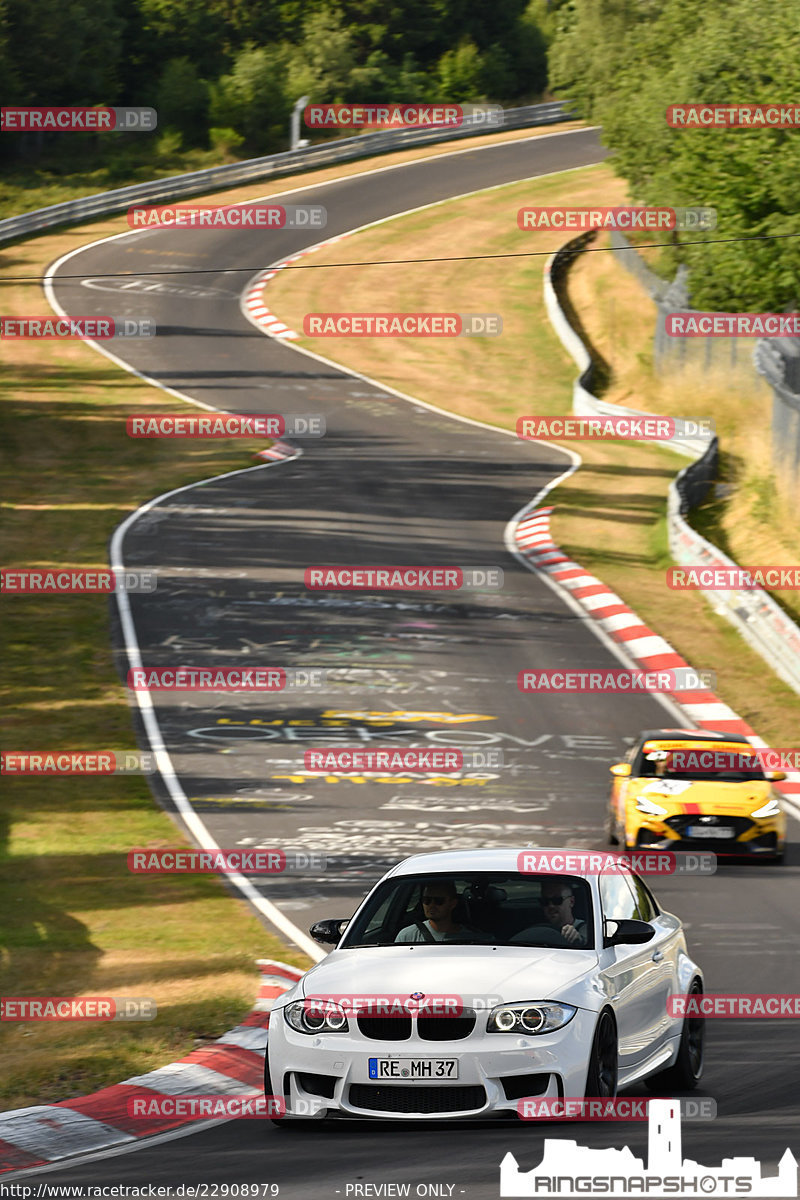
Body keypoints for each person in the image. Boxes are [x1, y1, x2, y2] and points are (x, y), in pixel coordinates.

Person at [395, 880, 491, 943]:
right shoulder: (407, 936)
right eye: (426, 900)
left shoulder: (474, 938)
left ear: (453, 904)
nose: (431, 905)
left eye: (438, 901)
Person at [512, 878, 588, 947]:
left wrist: (578, 939)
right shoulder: (534, 930)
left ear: (571, 902)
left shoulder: (586, 929)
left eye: (557, 900)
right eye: (545, 901)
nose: (551, 906)